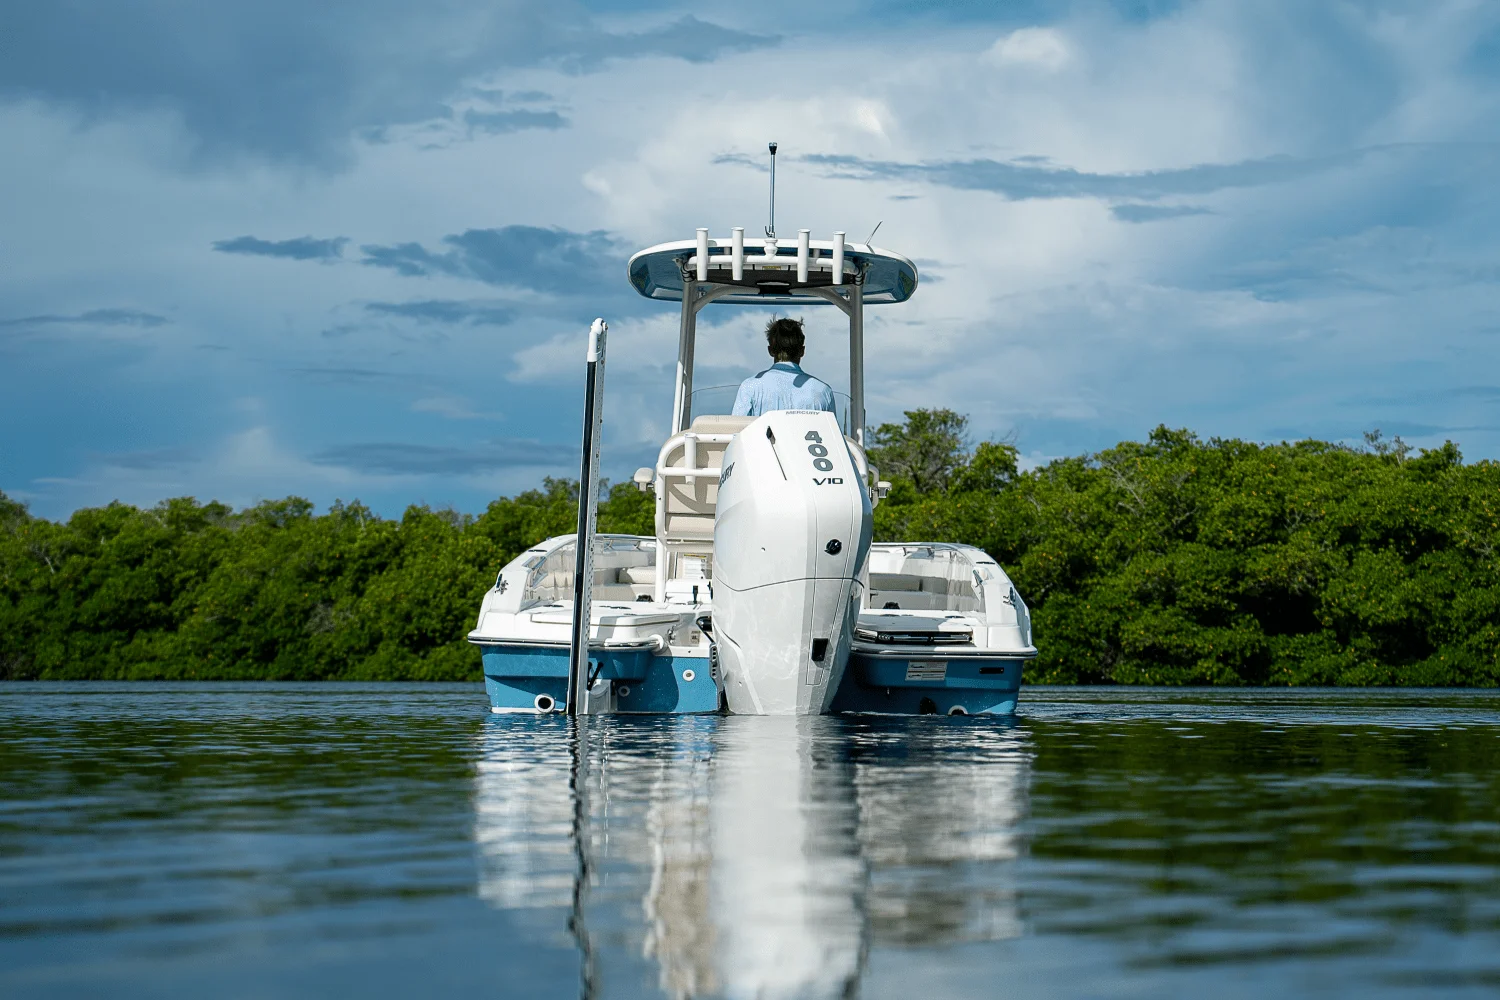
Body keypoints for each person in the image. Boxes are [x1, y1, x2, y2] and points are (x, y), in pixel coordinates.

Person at [731, 317, 836, 417]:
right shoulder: (823, 391)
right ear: (802, 351)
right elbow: (831, 434)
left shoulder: (749, 387)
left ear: (770, 350)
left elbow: (737, 432)